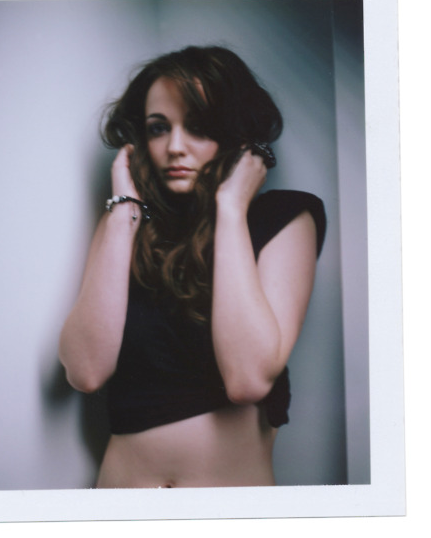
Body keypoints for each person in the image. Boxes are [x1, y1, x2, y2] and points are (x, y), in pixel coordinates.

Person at [59, 45, 326, 488]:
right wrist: (123, 213)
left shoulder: (284, 217)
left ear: (236, 132)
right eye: (158, 128)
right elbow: (86, 372)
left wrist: (230, 208)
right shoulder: (126, 227)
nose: (175, 147)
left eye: (199, 126)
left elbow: (248, 380)